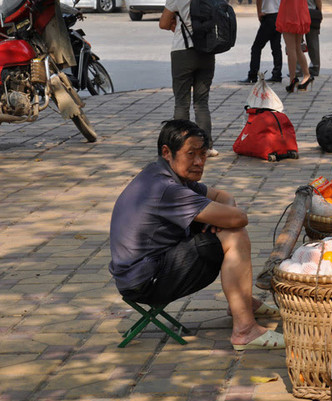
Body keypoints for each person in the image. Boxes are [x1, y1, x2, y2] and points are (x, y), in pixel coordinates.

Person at [109, 120, 284, 350]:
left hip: (141, 272)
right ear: (166, 152)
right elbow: (239, 218)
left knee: (226, 228)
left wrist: (220, 217)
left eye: (203, 154)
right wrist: (223, 219)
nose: (199, 162)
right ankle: (244, 330)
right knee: (234, 236)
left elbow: (223, 196)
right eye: (191, 154)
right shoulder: (166, 189)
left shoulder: (166, 174)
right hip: (145, 282)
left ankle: (241, 304)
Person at [159, 1, 219, 157]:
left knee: (181, 103)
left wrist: (177, 24)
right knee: (201, 103)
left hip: (183, 52)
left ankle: (180, 147)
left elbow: (163, 23)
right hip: (207, 52)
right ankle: (206, 147)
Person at [239, 0, 283, 84]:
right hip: (278, 14)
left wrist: (259, 12)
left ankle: (253, 74)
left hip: (268, 14)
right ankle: (277, 74)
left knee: (256, 47)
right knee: (276, 47)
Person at [275, 0, 313, 92]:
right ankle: (306, 75)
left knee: (291, 48)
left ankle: (293, 79)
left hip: (289, 13)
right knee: (297, 48)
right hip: (299, 13)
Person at [305, 0, 322, 77]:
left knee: (297, 43)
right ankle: (314, 67)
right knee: (313, 41)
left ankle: (298, 69)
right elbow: (318, 1)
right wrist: (319, 12)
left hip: (302, 13)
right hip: (310, 13)